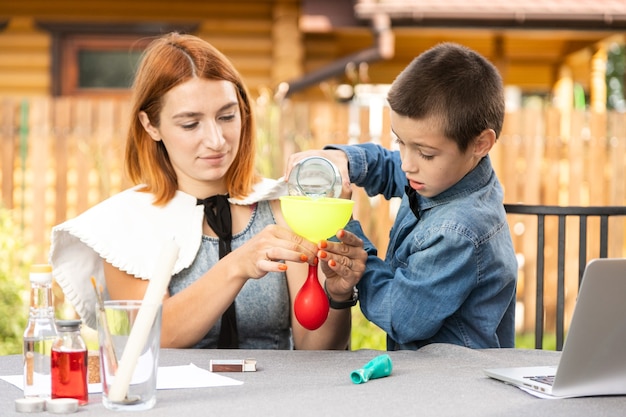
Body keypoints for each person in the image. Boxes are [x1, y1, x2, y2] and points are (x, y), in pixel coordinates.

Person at [49, 32, 361, 350]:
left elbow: (316, 350)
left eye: (227, 116)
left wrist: (338, 297)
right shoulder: (124, 223)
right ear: (150, 124)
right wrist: (238, 264)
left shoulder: (281, 206)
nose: (216, 139)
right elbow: (157, 335)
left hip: (274, 397)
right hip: (179, 401)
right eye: (190, 124)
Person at [287, 42, 518, 350]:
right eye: (401, 143)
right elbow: (388, 166)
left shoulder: (459, 231)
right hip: (421, 376)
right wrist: (346, 160)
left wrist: (353, 243)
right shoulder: (443, 175)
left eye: (424, 152)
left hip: (454, 384)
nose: (408, 163)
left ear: (480, 144)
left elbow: (401, 316)